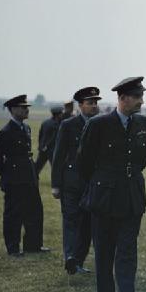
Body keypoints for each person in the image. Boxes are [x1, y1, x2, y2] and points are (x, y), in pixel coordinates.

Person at [77, 77, 146, 292]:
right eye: (137, 96)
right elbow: (84, 162)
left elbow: (142, 159)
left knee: (128, 253)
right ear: (123, 98)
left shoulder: (144, 123)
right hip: (104, 199)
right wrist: (104, 182)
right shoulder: (99, 124)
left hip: (131, 198)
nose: (142, 101)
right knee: (105, 254)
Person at [51, 86, 101, 275]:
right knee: (71, 220)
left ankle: (78, 261)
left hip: (91, 184)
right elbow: (58, 156)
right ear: (80, 105)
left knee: (87, 224)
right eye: (90, 103)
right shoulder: (68, 125)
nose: (94, 106)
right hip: (71, 183)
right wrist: (56, 184)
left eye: (96, 102)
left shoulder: (100, 124)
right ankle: (70, 256)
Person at [0, 94, 48, 256]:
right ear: (13, 110)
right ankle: (13, 248)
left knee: (35, 212)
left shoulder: (26, 128)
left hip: (29, 177)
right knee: (14, 215)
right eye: (23, 107)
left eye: (27, 107)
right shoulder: (5, 132)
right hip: (15, 180)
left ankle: (33, 245)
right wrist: (8, 176)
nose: (26, 110)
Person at [35, 105, 64, 175]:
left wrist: (40, 146)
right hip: (52, 149)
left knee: (37, 167)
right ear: (57, 115)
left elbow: (40, 136)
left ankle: (33, 179)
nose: (62, 114)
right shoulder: (58, 124)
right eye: (61, 113)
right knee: (55, 168)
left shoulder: (45, 123)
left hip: (43, 149)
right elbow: (55, 138)